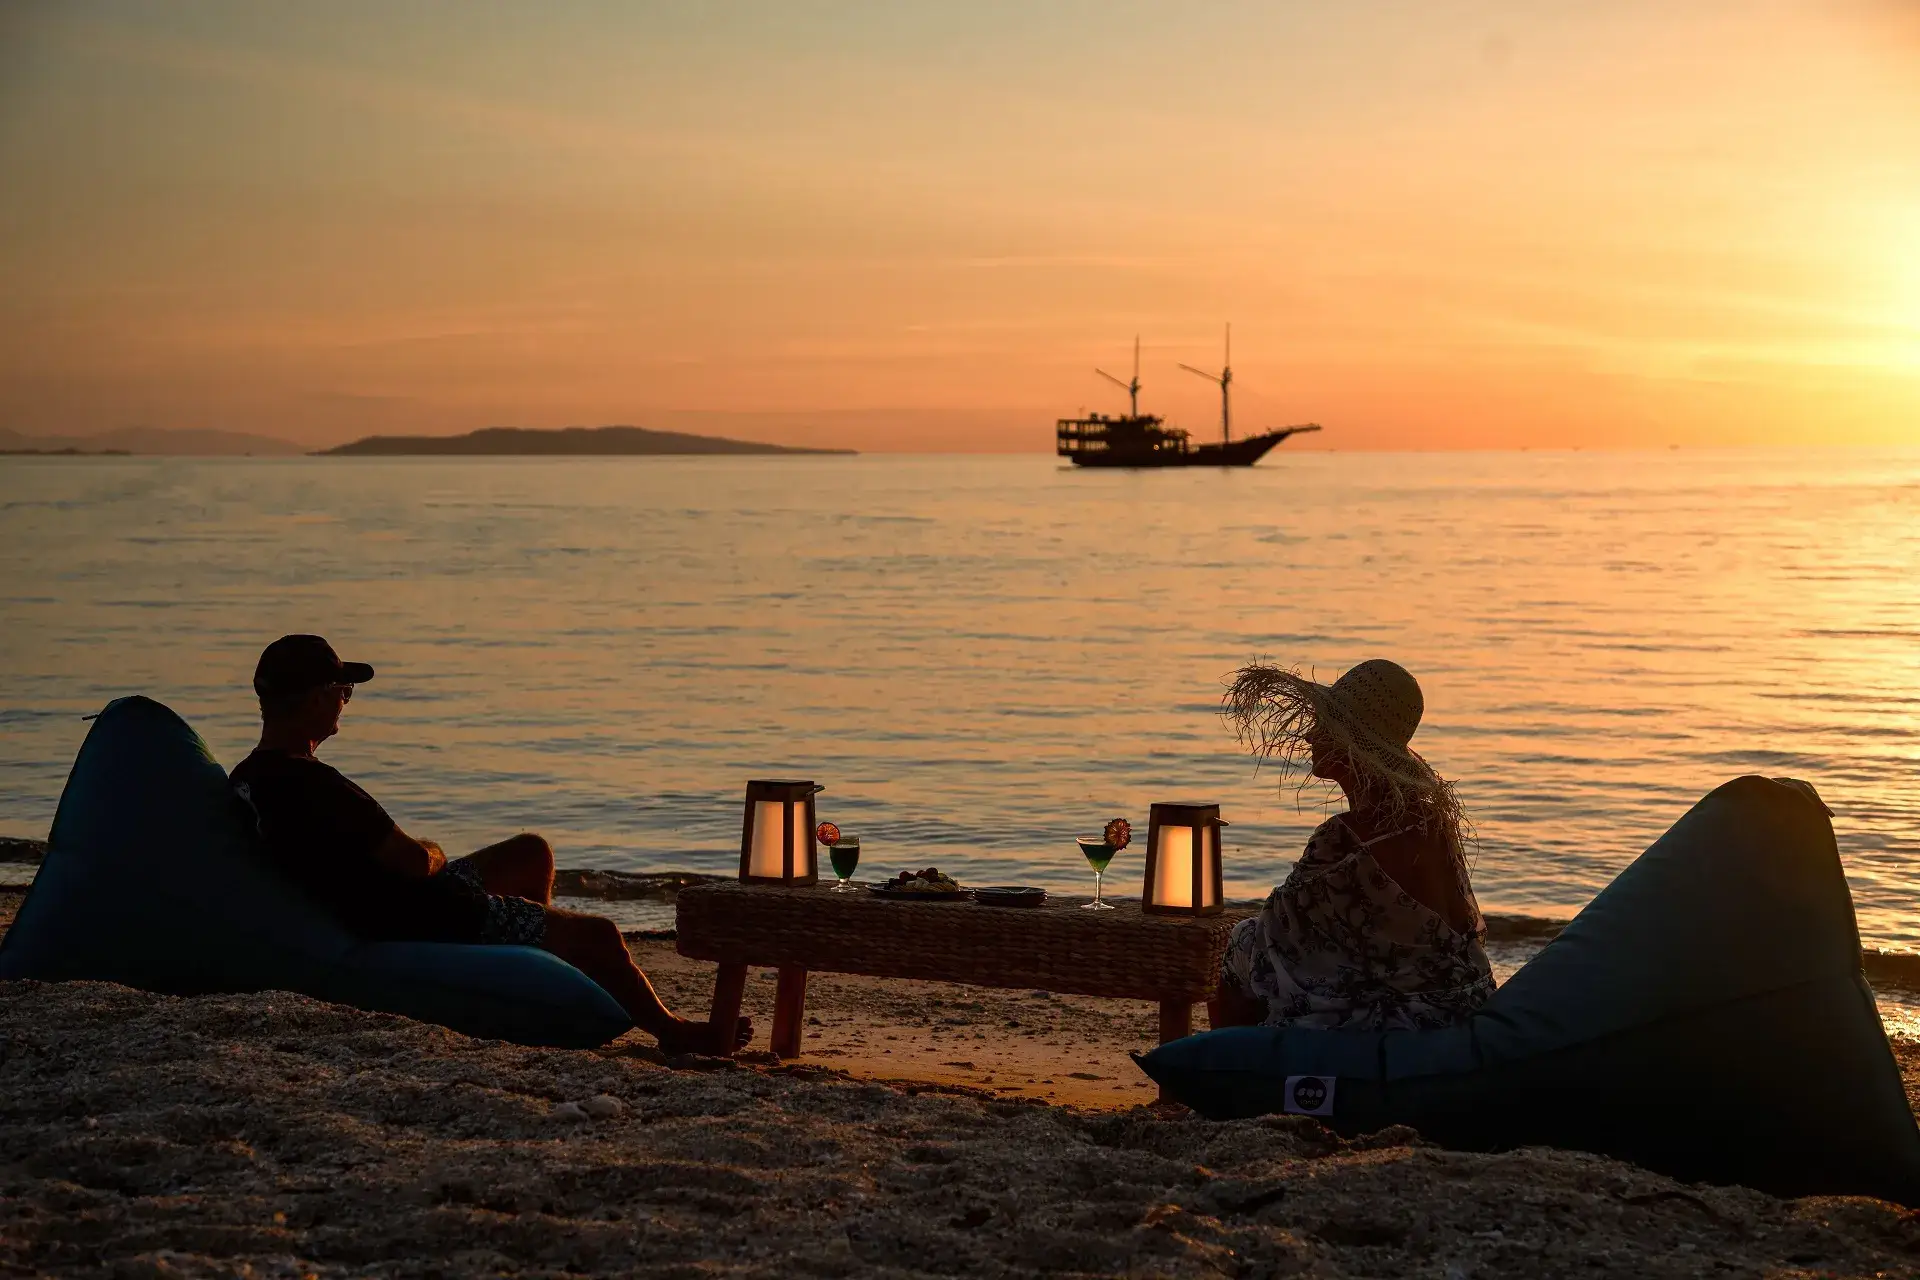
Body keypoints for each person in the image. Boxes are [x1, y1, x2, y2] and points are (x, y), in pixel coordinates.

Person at [228, 634, 746, 1054]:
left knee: (529, 853)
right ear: (317, 697)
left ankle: (531, 957)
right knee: (602, 936)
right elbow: (412, 862)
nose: (345, 701)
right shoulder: (316, 785)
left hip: (377, 900)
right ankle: (674, 1032)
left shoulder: (249, 778)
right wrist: (433, 852)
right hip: (420, 912)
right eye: (343, 690)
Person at [1210, 658, 1495, 1031]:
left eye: (1322, 724)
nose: (1310, 736)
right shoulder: (1432, 821)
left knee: (1244, 942)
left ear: (1348, 739)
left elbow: (1274, 932)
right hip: (1463, 997)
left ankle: (1235, 1074)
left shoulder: (1346, 839)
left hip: (1405, 1016)